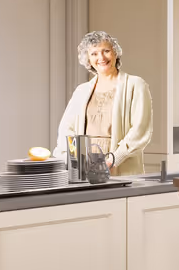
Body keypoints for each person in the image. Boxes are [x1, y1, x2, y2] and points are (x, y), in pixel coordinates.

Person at [56, 31, 155, 177]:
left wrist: (112, 160)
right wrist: (77, 162)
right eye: (94, 54)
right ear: (88, 60)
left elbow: (140, 131)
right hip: (86, 168)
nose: (101, 57)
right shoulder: (81, 91)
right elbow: (66, 130)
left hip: (122, 167)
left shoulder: (136, 85)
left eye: (106, 51)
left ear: (115, 53)